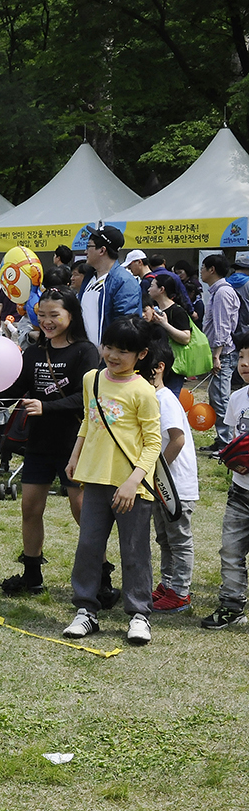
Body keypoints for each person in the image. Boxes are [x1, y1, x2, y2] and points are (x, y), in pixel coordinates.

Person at [0, 288, 100, 595]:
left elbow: (88, 397)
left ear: (71, 316)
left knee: (82, 512)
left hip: (74, 442)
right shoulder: (36, 352)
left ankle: (99, 577)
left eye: (55, 315)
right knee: (30, 508)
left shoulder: (84, 351)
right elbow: (15, 386)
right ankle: (32, 574)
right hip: (39, 443)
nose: (47, 322)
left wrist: (46, 406)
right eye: (42, 315)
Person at [62, 316, 160, 646]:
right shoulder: (92, 379)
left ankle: (138, 614)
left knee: (134, 551)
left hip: (132, 487)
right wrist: (75, 456)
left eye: (123, 351)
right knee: (89, 547)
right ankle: (86, 610)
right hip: (94, 480)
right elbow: (88, 424)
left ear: (141, 355)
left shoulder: (144, 391)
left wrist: (134, 482)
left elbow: (153, 443)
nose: (113, 355)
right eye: (109, 347)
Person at [141, 337, 198, 612]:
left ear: (159, 367)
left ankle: (181, 592)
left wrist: (157, 470)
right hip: (160, 484)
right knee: (163, 538)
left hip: (175, 486)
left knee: (178, 539)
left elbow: (177, 440)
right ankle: (168, 584)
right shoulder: (151, 398)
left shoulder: (166, 400)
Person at [203, 333, 249, 629]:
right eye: (243, 357)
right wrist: (235, 459)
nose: (245, 364)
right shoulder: (237, 397)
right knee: (231, 552)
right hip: (240, 493)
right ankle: (232, 606)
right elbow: (233, 439)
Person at [75, 225, 141, 346]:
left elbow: (127, 324)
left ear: (102, 250)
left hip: (108, 358)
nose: (85, 251)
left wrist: (108, 347)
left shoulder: (124, 281)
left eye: (89, 246)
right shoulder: (89, 277)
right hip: (86, 355)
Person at [201, 254, 239, 453]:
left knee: (222, 398)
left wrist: (217, 355)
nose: (201, 272)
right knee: (215, 396)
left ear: (212, 270)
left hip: (223, 353)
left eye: (203, 267)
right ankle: (221, 439)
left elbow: (222, 327)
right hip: (220, 352)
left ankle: (227, 443)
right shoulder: (218, 291)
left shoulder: (222, 293)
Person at [142, 272, 192, 395]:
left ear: (161, 289)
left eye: (152, 285)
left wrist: (164, 324)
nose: (149, 289)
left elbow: (186, 338)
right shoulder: (154, 311)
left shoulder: (177, 311)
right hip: (156, 365)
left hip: (174, 367)